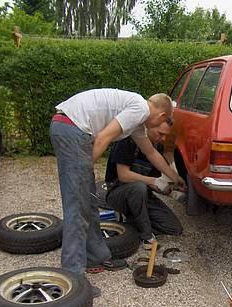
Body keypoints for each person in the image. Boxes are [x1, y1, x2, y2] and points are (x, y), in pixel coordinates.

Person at [50, 89, 185, 283]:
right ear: (162, 115)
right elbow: (104, 137)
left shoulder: (137, 122)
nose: (162, 137)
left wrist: (175, 177)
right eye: (162, 131)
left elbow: (151, 153)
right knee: (78, 206)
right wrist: (83, 173)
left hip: (72, 127)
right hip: (72, 128)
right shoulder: (140, 108)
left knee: (88, 201)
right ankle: (73, 280)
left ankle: (96, 257)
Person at [105, 122, 183, 249]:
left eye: (165, 136)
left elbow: (152, 182)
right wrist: (152, 181)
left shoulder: (157, 148)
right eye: (160, 134)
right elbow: (123, 175)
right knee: (138, 187)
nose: (162, 139)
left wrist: (168, 190)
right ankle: (147, 237)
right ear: (148, 126)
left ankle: (131, 224)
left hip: (141, 195)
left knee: (174, 228)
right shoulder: (127, 140)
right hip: (118, 192)